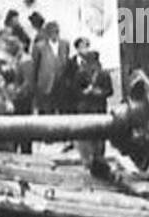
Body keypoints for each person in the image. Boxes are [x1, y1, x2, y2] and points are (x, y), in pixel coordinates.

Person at [72, 42, 115, 176]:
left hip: (98, 108)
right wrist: (85, 92)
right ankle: (88, 160)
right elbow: (74, 91)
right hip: (85, 108)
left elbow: (110, 91)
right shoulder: (80, 74)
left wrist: (98, 92)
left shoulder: (103, 75)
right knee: (86, 136)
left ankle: (98, 159)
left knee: (99, 137)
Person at [31, 21, 71, 116]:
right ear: (47, 34)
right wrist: (37, 84)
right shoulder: (39, 46)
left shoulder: (65, 44)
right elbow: (36, 65)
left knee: (62, 107)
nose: (55, 35)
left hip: (61, 81)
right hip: (46, 82)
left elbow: (66, 60)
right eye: (52, 32)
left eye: (56, 32)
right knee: (47, 108)